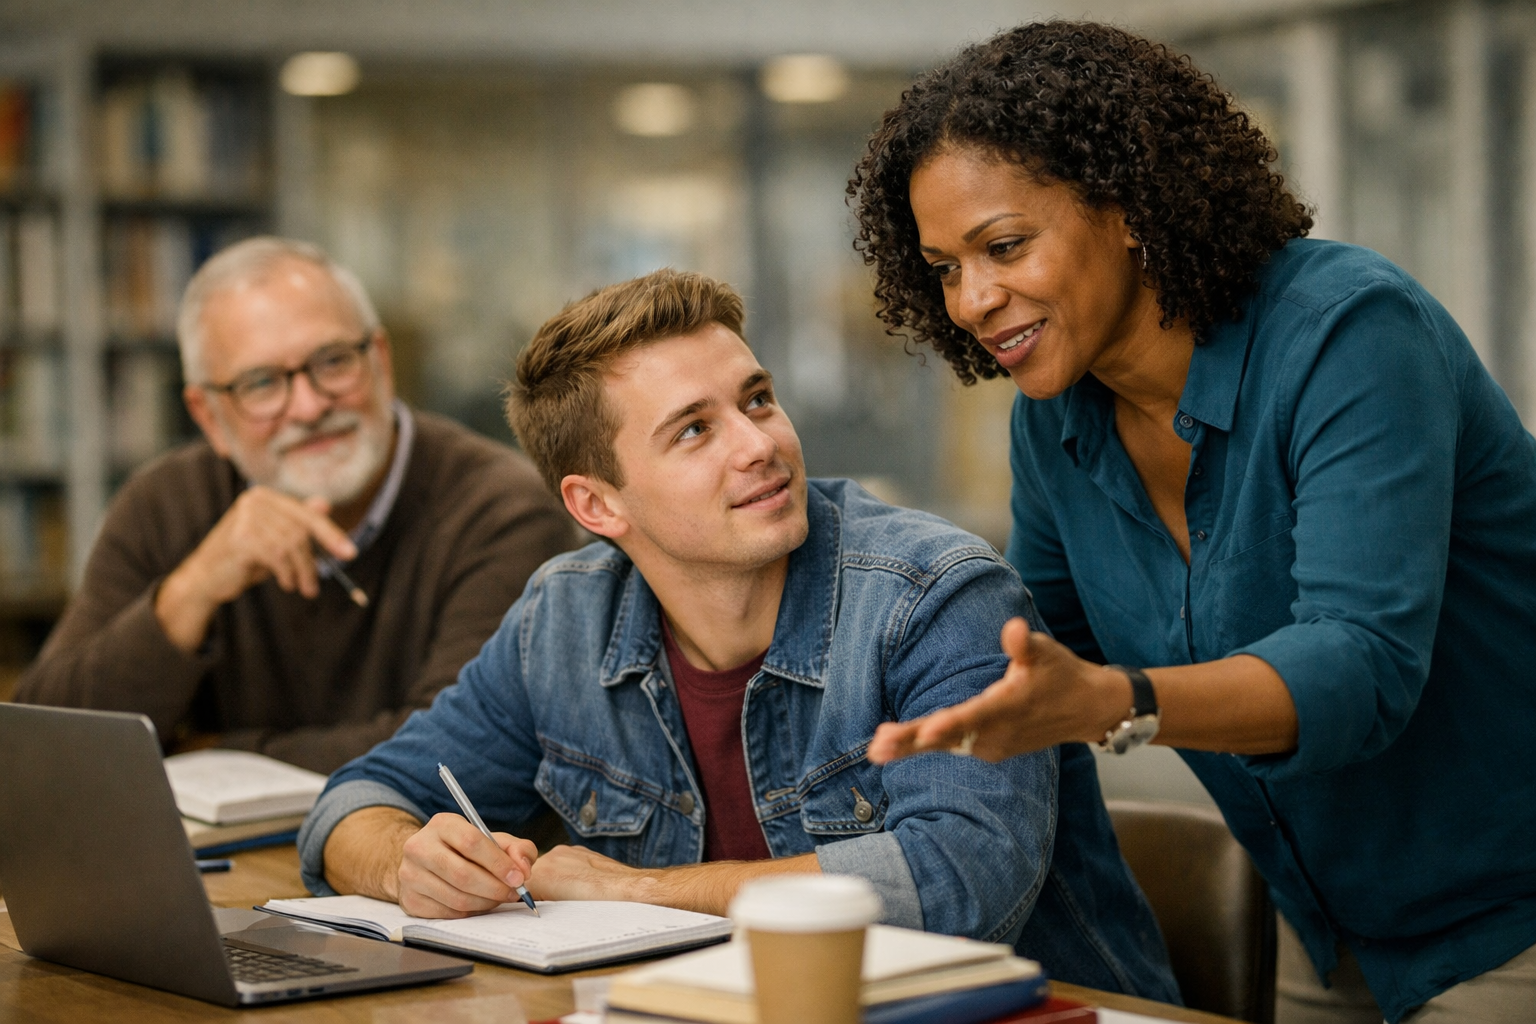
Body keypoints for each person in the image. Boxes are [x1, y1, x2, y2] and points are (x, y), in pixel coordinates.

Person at [849, 20, 1536, 1024]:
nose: (973, 299)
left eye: (1002, 247)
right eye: (945, 267)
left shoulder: (1349, 335)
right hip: (1328, 926)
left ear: (1128, 206)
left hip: (1509, 920)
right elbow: (1042, 656)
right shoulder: (1058, 418)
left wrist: (1116, 698)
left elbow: (1359, 666)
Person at [298, 269, 1180, 1000]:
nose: (759, 444)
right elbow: (358, 797)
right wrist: (405, 863)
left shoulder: (940, 597)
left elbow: (956, 884)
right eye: (695, 430)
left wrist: (634, 892)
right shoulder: (562, 617)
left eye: (757, 399)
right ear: (597, 504)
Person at [16, 237, 574, 773]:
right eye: (261, 383)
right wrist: (193, 588)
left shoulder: (502, 508)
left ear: (380, 360)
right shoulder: (163, 503)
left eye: (331, 361)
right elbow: (42, 742)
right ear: (208, 416)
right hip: (217, 870)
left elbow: (461, 752)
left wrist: (218, 756)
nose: (307, 407)